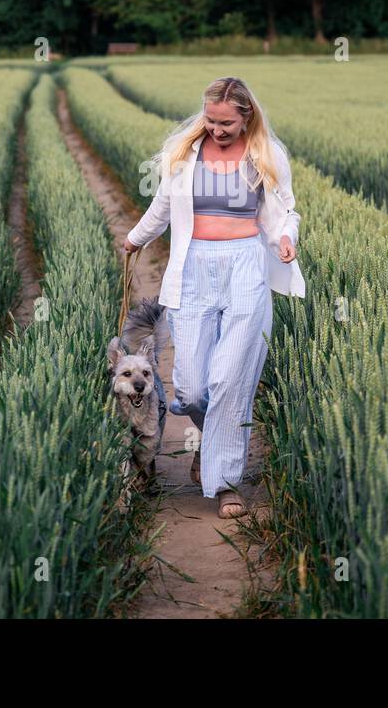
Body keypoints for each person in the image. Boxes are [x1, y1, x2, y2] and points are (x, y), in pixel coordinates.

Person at [122, 76, 305, 519]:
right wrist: (134, 240)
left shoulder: (267, 154)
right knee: (191, 387)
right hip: (193, 269)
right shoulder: (184, 153)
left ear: (246, 117)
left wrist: (285, 237)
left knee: (229, 381)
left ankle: (225, 482)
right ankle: (212, 438)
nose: (216, 129)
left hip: (246, 266)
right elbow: (163, 207)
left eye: (226, 123)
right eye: (210, 119)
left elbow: (287, 210)